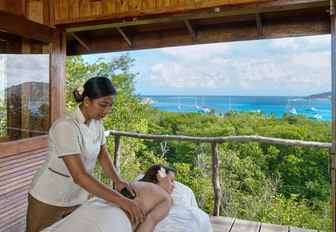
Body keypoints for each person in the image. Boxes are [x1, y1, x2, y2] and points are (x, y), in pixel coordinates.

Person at [26, 76, 145, 232]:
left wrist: (118, 180)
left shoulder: (97, 123)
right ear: (87, 100)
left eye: (110, 106)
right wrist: (122, 201)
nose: (107, 111)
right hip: (49, 197)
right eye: (103, 105)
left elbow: (103, 156)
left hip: (77, 198)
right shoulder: (66, 126)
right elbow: (80, 176)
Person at [41, 164, 176, 232]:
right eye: (172, 180)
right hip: (115, 218)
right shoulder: (165, 198)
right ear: (160, 176)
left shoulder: (134, 184)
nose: (174, 186)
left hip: (94, 207)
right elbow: (150, 221)